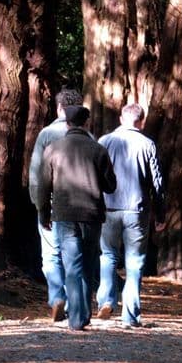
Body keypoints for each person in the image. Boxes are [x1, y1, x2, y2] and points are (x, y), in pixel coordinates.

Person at [36, 104, 117, 331]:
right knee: (88, 264)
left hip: (65, 214)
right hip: (92, 215)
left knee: (72, 265)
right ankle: (82, 314)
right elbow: (111, 185)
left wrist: (44, 213)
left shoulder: (53, 149)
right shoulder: (98, 150)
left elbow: (44, 186)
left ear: (68, 123)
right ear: (86, 123)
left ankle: (77, 318)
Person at [96, 104, 165, 328]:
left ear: (121, 118)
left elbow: (95, 175)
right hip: (137, 210)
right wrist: (161, 214)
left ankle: (105, 301)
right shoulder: (147, 144)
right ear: (142, 121)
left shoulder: (104, 141)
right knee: (134, 261)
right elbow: (157, 182)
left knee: (108, 255)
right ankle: (130, 314)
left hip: (108, 208)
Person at [28, 89, 86, 321]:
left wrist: (39, 204)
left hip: (52, 203)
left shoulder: (47, 134)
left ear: (59, 108)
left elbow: (37, 173)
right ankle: (75, 303)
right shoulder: (86, 136)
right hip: (82, 206)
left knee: (51, 256)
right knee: (75, 255)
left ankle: (56, 298)